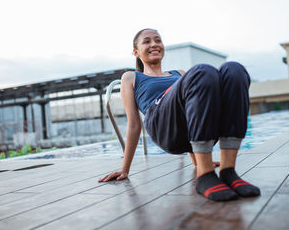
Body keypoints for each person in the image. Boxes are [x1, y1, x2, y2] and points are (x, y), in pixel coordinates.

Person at [99, 28, 260, 201]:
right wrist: (125, 169)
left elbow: (192, 109)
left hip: (189, 132)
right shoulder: (131, 77)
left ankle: (228, 171)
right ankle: (205, 175)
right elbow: (134, 124)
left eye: (158, 40)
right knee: (203, 71)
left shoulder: (180, 74)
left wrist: (197, 159)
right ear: (136, 52)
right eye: (147, 41)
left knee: (234, 70)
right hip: (162, 126)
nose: (154, 44)